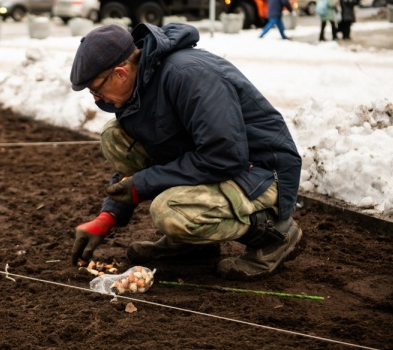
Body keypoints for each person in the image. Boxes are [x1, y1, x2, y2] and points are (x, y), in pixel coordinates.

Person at [69, 23, 304, 280]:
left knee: (171, 211)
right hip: (222, 164)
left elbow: (225, 156)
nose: (96, 98)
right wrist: (108, 216)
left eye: (96, 88)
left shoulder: (189, 75)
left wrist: (144, 183)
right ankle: (193, 247)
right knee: (114, 136)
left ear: (120, 73)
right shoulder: (140, 88)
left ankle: (275, 235)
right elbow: (147, 161)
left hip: (261, 171)